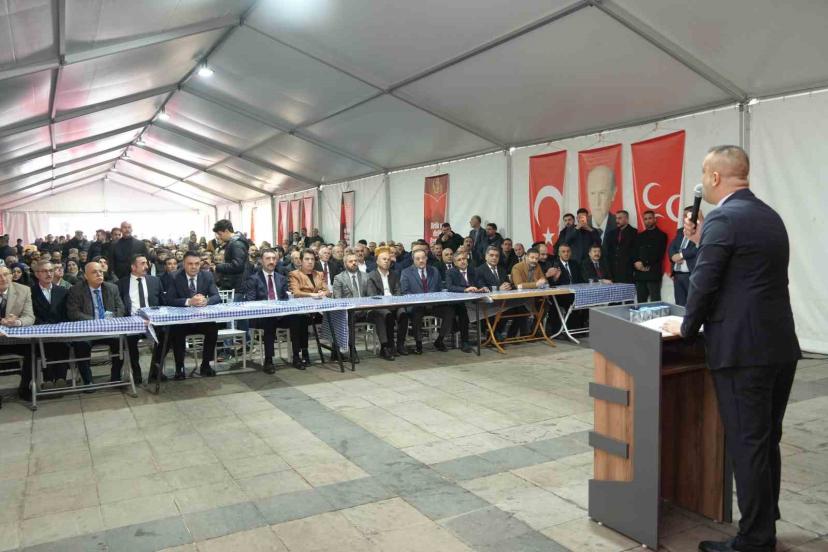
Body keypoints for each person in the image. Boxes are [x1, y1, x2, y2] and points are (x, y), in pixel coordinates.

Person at [663, 145, 800, 552]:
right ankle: (765, 520)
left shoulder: (723, 218)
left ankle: (755, 539)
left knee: (747, 443)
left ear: (715, 176)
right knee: (765, 440)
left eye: (704, 173)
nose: (702, 182)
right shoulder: (769, 216)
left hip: (742, 352)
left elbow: (705, 283)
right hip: (779, 347)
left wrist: (686, 327)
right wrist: (700, 240)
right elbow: (742, 275)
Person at [164, 251, 222, 380]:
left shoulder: (207, 276)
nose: (194, 267)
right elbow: (169, 300)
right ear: (184, 264)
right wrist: (189, 301)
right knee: (176, 331)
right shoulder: (174, 276)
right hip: (182, 321)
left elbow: (217, 297)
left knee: (213, 328)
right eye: (190, 264)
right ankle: (180, 368)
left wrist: (207, 301)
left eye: (197, 263)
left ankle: (206, 365)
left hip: (201, 319)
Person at [67, 262, 126, 385]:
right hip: (87, 331)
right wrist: (96, 321)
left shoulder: (112, 288)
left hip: (109, 329)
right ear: (86, 276)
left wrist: (111, 318)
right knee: (80, 345)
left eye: (100, 271)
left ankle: (116, 377)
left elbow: (120, 308)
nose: (99, 274)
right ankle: (88, 381)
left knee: (121, 342)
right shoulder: (76, 290)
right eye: (94, 272)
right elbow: (73, 313)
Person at [244, 248, 295, 374]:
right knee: (269, 321)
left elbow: (285, 299)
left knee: (297, 319)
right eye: (268, 258)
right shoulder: (253, 279)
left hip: (280, 315)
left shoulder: (281, 278)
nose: (271, 261)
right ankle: (269, 360)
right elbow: (251, 301)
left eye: (274, 259)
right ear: (261, 261)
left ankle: (298, 356)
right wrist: (267, 308)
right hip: (261, 317)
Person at [116, 254, 164, 384]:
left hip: (152, 321)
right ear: (133, 267)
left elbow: (162, 303)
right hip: (132, 322)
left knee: (166, 336)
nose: (146, 266)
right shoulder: (121, 284)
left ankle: (156, 370)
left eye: (146, 263)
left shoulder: (155, 281)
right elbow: (119, 306)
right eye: (142, 263)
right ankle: (136, 372)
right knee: (130, 341)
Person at [400, 248, 453, 354]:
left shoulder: (434, 270)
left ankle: (439, 340)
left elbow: (439, 288)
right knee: (416, 314)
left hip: (433, 304)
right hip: (416, 305)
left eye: (423, 258)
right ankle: (418, 344)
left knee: (449, 311)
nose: (421, 261)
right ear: (413, 260)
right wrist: (420, 299)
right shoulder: (406, 272)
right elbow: (405, 292)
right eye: (418, 258)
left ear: (427, 258)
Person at [30, 260, 70, 391]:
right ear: (37, 274)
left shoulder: (62, 291)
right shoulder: (30, 292)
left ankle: (61, 378)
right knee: (45, 346)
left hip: (60, 331)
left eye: (51, 271)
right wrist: (45, 327)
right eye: (45, 271)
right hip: (41, 332)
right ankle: (48, 379)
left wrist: (59, 327)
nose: (49, 274)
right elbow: (31, 314)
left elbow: (66, 313)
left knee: (62, 344)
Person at [365, 247, 410, 360]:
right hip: (379, 306)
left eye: (388, 259)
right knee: (388, 315)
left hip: (394, 304)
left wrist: (394, 303)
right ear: (377, 261)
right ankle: (389, 346)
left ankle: (400, 344)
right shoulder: (371, 276)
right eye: (384, 259)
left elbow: (398, 292)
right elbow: (372, 296)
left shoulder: (394, 274)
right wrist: (387, 302)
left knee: (403, 314)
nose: (386, 261)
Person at [288, 249, 330, 368]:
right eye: (307, 259)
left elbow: (327, 290)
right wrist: (313, 294)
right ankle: (298, 355)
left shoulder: (319, 274)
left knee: (336, 315)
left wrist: (323, 293)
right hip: (302, 310)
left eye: (312, 259)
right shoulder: (294, 274)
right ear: (301, 261)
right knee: (298, 319)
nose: (310, 262)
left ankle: (336, 352)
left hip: (317, 310)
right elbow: (296, 292)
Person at [0, 266, 36, 403]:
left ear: (11, 275)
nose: (2, 278)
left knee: (33, 350)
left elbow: (29, 317)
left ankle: (25, 388)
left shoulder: (24, 290)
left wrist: (16, 322)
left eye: (6, 274)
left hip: (16, 339)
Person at [332, 250, 370, 362]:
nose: (354, 263)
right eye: (350, 261)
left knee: (384, 314)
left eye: (355, 261)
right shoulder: (339, 278)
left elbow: (370, 296)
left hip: (365, 309)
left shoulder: (366, 276)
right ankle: (352, 350)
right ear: (345, 264)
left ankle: (387, 346)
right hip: (348, 310)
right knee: (350, 317)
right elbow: (338, 299)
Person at [444, 251, 481, 353]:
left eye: (464, 259)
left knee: (488, 307)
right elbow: (450, 287)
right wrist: (465, 289)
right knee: (463, 312)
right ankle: (465, 342)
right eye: (459, 260)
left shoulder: (474, 270)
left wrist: (482, 288)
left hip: (474, 300)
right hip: (458, 302)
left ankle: (493, 334)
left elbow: (479, 283)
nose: (462, 261)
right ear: (455, 263)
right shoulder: (450, 272)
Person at [633, 210, 668, 302]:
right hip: (640, 274)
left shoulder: (662, 235)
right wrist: (636, 263)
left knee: (655, 301)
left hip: (653, 272)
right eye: (645, 219)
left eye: (650, 218)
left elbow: (659, 254)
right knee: (641, 301)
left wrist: (643, 264)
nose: (648, 221)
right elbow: (634, 252)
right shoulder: (639, 236)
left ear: (655, 219)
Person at [668, 205, 698, 306]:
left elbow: (698, 248)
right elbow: (671, 247)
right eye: (683, 215)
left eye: (686, 215)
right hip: (677, 275)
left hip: (691, 275)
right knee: (680, 305)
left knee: (692, 304)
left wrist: (681, 255)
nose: (684, 218)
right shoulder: (680, 231)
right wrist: (673, 256)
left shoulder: (700, 231)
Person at [213, 219, 250, 294]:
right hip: (237, 284)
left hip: (238, 286)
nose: (219, 237)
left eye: (220, 234)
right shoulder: (234, 243)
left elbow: (237, 266)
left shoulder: (236, 244)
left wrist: (218, 267)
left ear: (226, 231)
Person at [603, 210, 637, 283]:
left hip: (627, 271)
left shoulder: (634, 233)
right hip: (612, 272)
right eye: (616, 218)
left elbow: (635, 252)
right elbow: (606, 252)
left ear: (626, 219)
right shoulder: (611, 233)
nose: (617, 220)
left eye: (620, 218)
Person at [586, 165, 618, 239]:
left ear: (613, 193)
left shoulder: (618, 225)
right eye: (592, 193)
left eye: (602, 193)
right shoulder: (582, 226)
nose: (597, 202)